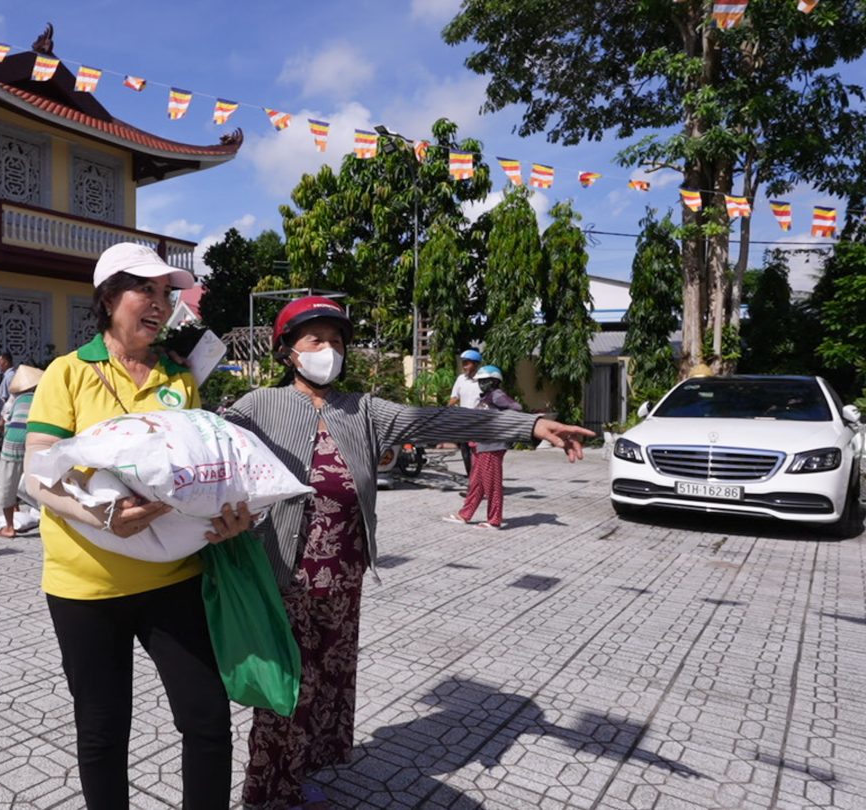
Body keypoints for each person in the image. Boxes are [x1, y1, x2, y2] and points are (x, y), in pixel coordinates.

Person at [223, 297, 592, 809]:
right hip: (286, 581)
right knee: (286, 691)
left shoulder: (364, 411)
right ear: (287, 351)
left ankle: (303, 773)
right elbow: (211, 451)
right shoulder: (257, 406)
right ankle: (268, 793)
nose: (328, 350)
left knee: (328, 683)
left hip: (343, 580)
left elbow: (441, 421)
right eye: (315, 340)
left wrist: (529, 426)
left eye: (336, 340)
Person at [23, 242, 252, 809]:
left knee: (206, 720)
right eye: (144, 290)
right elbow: (36, 477)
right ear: (107, 298)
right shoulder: (67, 374)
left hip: (173, 578)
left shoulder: (179, 376)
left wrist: (225, 514)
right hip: (86, 587)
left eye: (166, 294)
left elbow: (198, 466)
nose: (159, 304)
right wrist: (100, 514)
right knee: (103, 733)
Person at [447, 365, 524, 530]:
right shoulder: (487, 397)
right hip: (479, 445)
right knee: (476, 483)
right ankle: (465, 515)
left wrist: (500, 425)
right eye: (479, 382)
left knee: (492, 484)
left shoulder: (497, 395)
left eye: (484, 381)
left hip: (491, 446)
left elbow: (517, 408)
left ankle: (494, 520)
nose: (481, 384)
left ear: (494, 381)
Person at [0, 364, 41, 538]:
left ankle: (10, 527)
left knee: (7, 483)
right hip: (32, 442)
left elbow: (6, 421)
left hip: (12, 442)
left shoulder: (17, 399)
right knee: (37, 481)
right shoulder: (42, 397)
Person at [448, 348, 483, 477]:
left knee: (478, 452)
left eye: (467, 363)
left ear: (475, 364)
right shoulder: (461, 379)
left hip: (479, 421)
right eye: (463, 363)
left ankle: (479, 480)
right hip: (464, 420)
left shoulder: (483, 379)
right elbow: (454, 397)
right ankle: (471, 478)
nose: (464, 367)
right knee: (465, 451)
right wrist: (446, 410)